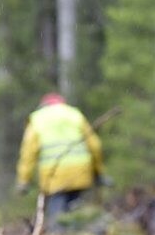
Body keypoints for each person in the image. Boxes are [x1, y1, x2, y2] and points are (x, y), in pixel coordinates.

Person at [16, 92, 105, 225]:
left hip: (53, 173)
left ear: (43, 105)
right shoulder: (75, 115)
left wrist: (24, 180)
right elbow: (95, 145)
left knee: (57, 213)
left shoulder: (37, 119)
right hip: (80, 170)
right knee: (75, 209)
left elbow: (28, 153)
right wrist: (99, 172)